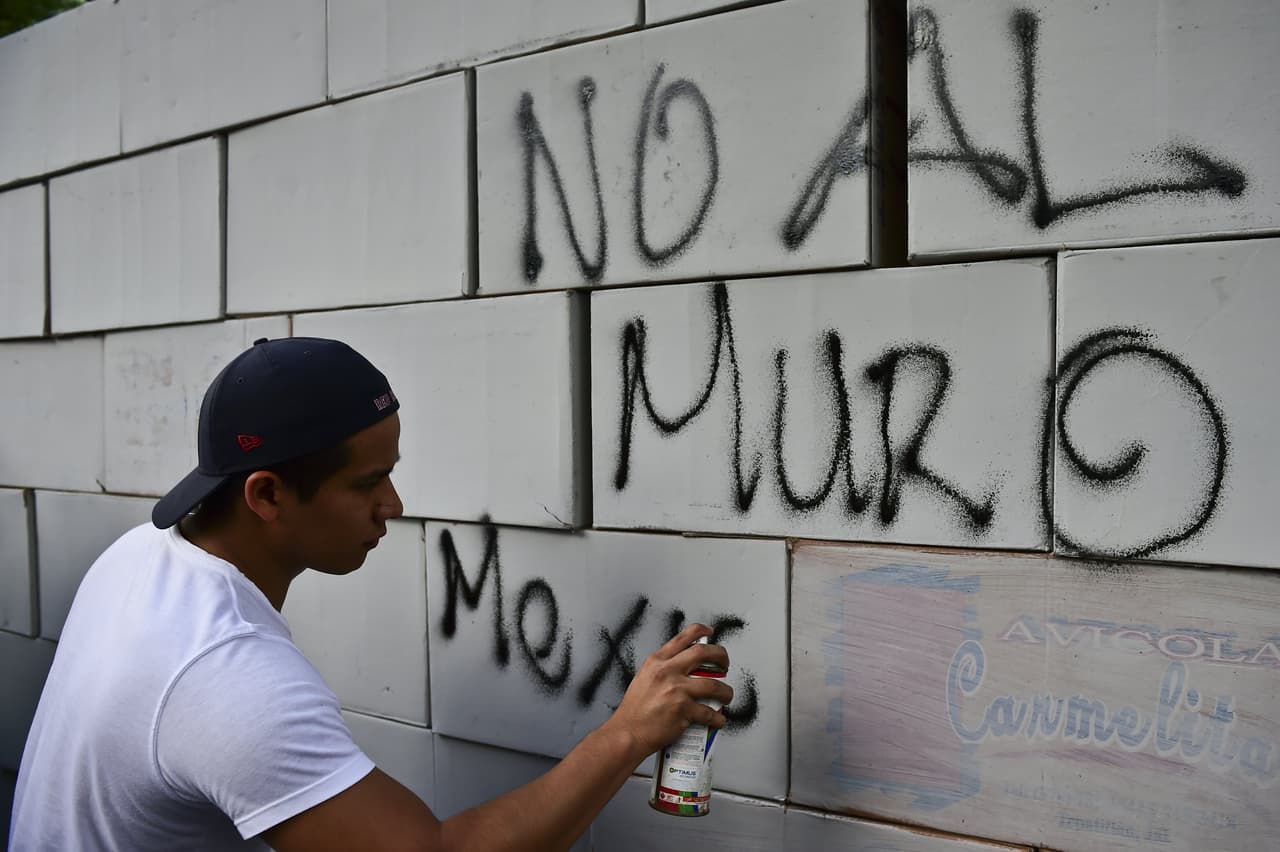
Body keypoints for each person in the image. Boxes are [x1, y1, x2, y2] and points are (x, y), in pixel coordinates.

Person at [9, 337, 732, 851]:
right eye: (365, 484)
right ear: (266, 493)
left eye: (389, 471)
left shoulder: (141, 556)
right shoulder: (224, 677)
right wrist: (628, 734)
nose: (394, 503)